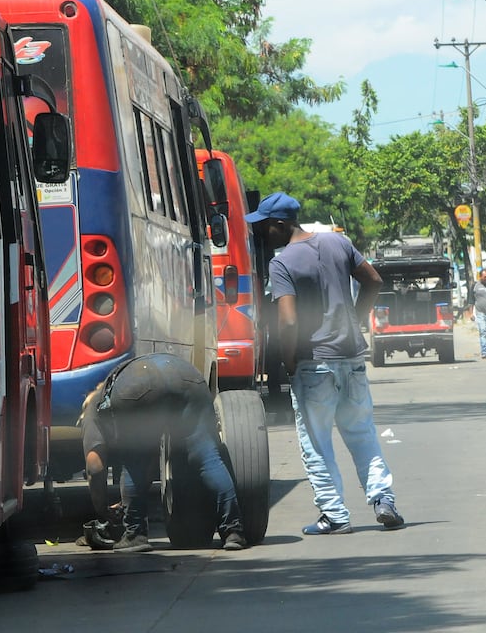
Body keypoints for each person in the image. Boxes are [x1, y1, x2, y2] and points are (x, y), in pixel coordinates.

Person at [248, 191, 404, 535]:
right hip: (351, 357)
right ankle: (383, 500)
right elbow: (373, 280)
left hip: (314, 362)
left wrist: (289, 360)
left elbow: (288, 321)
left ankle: (334, 515)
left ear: (280, 225)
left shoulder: (282, 262)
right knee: (362, 433)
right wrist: (355, 320)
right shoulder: (339, 243)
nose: (261, 234)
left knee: (316, 443)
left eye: (264, 227)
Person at [78, 353, 248, 552]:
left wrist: (102, 512)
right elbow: (151, 464)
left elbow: (95, 467)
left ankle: (135, 535)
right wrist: (125, 502)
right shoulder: (113, 383)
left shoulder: (91, 409)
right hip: (189, 378)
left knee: (135, 463)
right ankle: (233, 532)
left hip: (138, 386)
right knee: (208, 458)